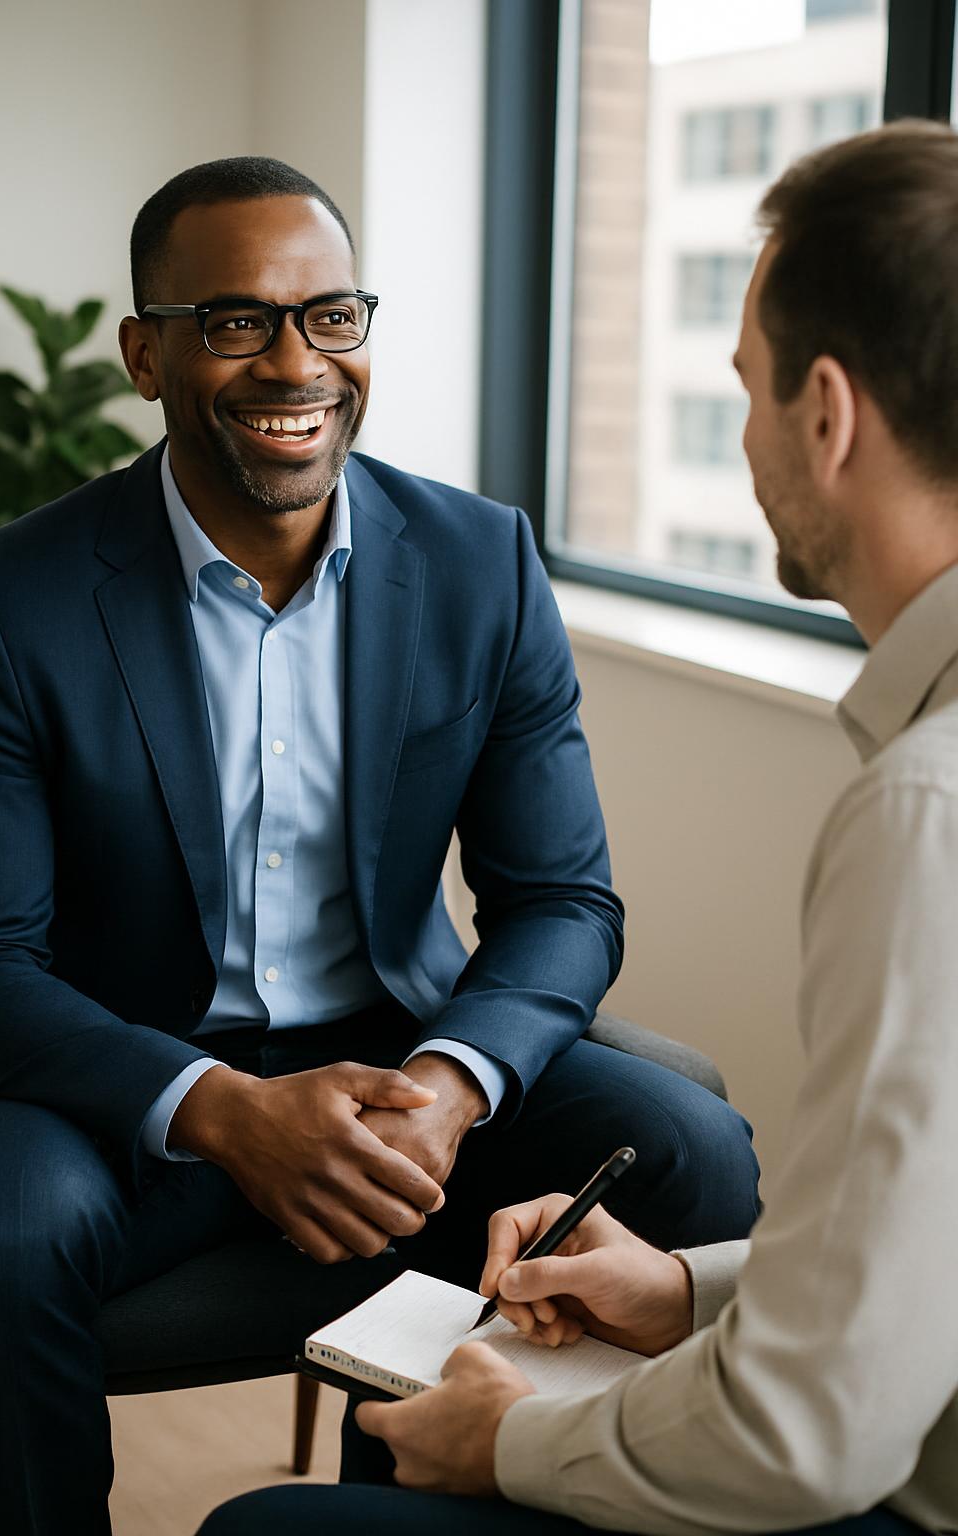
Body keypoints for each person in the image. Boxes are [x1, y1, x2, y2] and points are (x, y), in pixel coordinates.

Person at [0, 157, 760, 1535]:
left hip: (393, 1049)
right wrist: (226, 1111)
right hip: (123, 1079)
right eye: (237, 321)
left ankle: (426, 1506)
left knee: (685, 1149)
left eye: (332, 316)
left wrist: (445, 1086)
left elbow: (560, 900)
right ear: (146, 353)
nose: (296, 364)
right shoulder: (6, 604)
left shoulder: (478, 562)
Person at [196, 120, 958, 1536]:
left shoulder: (928, 811)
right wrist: (685, 1290)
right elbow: (922, 1264)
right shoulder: (15, 599)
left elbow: (816, 1427)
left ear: (830, 415)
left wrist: (521, 1442)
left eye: (742, 392)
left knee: (263, 1529)